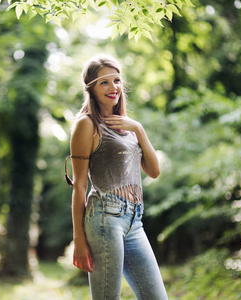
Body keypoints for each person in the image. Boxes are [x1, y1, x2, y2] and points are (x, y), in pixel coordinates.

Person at [66, 54, 168, 300]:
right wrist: (78, 239)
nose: (113, 87)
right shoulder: (87, 124)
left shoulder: (127, 126)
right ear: (91, 89)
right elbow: (79, 185)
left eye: (117, 80)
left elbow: (154, 172)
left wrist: (139, 129)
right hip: (104, 218)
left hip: (134, 220)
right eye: (104, 82)